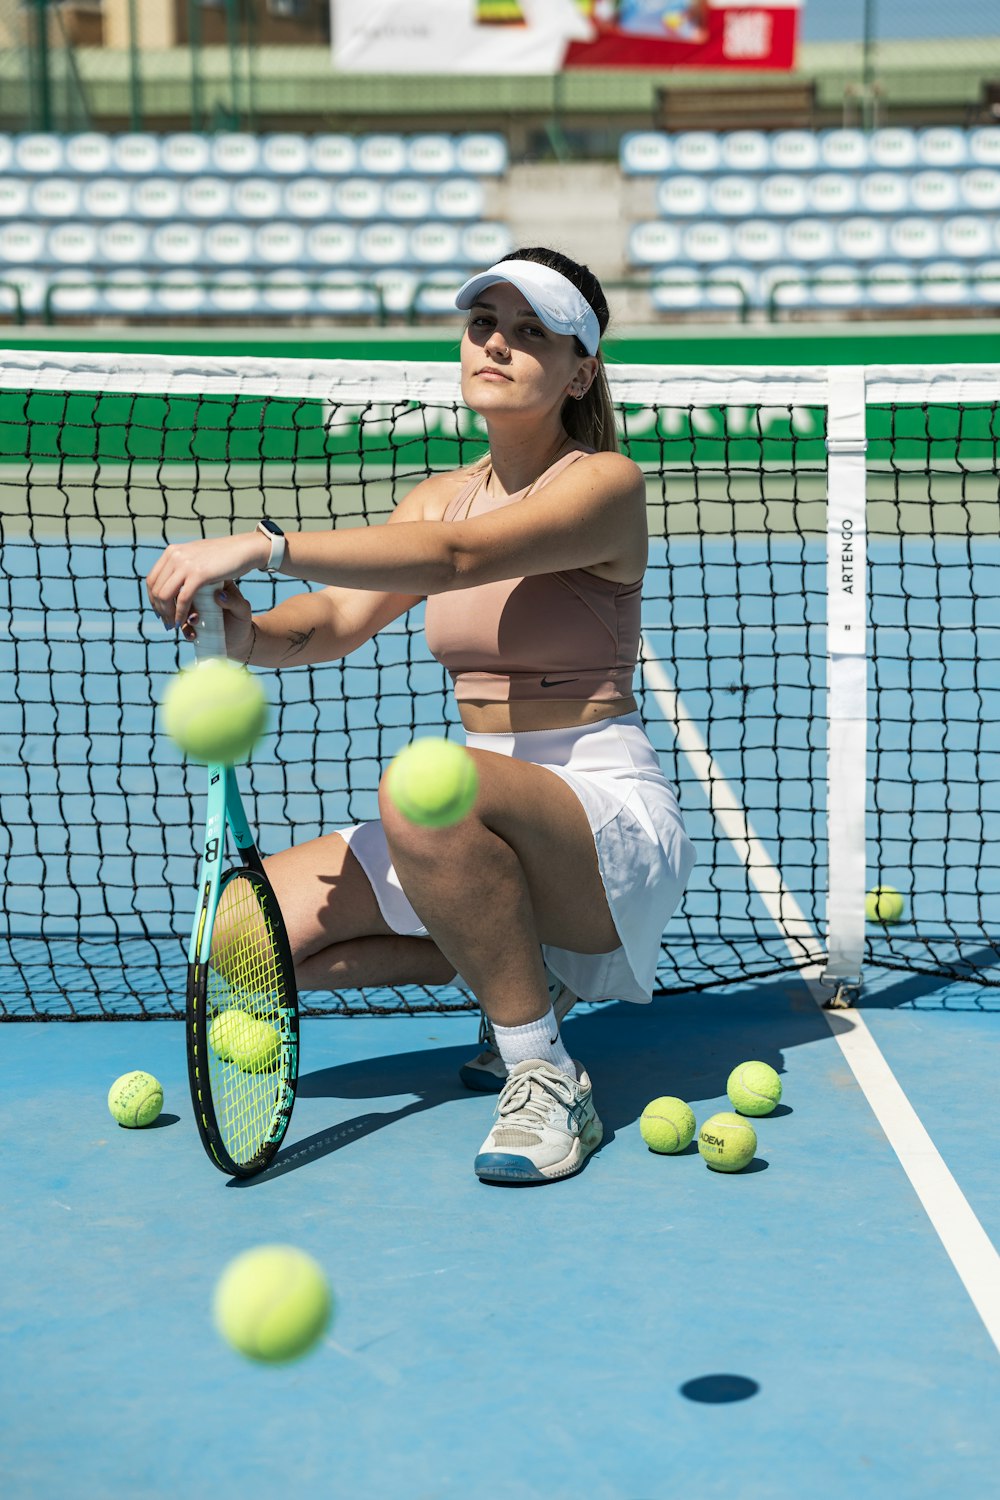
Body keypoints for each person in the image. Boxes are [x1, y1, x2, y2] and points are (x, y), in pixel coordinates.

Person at [146, 246, 696, 1186]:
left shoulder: (605, 484)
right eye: (484, 323)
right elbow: (332, 622)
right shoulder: (440, 491)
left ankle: (542, 1071)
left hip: (600, 818)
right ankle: (509, 961)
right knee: (249, 942)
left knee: (426, 784)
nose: (498, 344)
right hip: (471, 815)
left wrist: (269, 544)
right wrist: (242, 635)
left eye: (533, 332)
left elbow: (449, 561)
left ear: (581, 368)